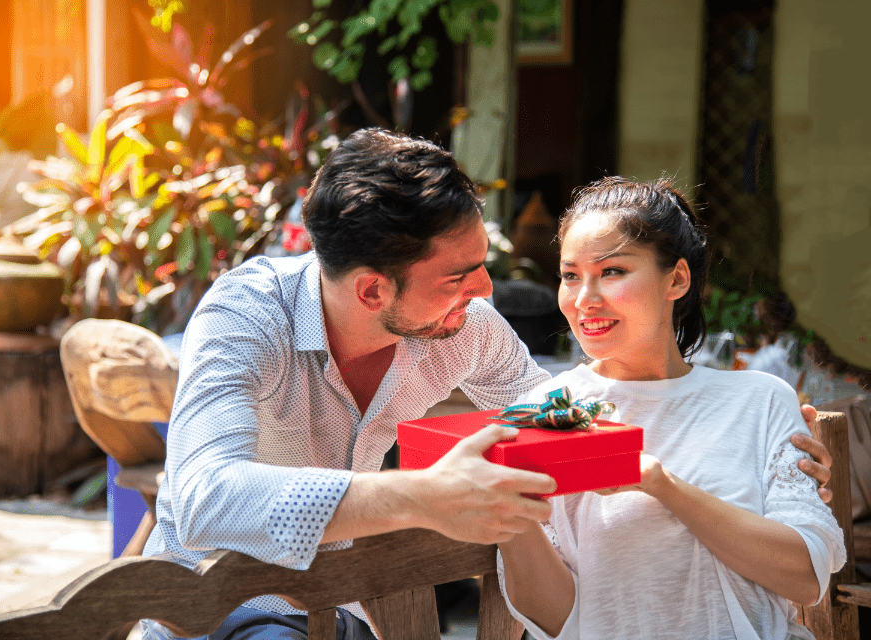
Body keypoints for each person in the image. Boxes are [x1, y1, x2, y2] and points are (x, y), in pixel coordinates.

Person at [141, 132, 832, 640]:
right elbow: (203, 500)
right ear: (375, 288)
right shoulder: (246, 318)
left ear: (678, 279)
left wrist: (776, 450)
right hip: (212, 607)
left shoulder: (466, 327)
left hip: (333, 603)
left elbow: (563, 417)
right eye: (459, 275)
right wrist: (423, 494)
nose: (486, 290)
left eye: (482, 263)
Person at [496, 177, 845, 640]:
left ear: (676, 279)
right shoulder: (544, 414)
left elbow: (805, 578)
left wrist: (660, 483)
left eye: (612, 271)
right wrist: (505, 511)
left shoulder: (761, 400)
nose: (584, 299)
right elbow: (559, 622)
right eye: (570, 275)